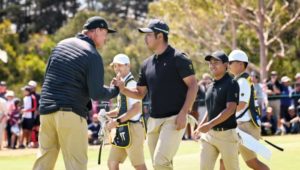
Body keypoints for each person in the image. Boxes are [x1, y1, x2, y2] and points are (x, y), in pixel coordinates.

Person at [33, 16, 119, 170]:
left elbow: (47, 77)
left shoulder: (61, 45)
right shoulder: (92, 55)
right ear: (96, 31)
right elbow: (97, 93)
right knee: (76, 165)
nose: (106, 38)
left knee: (43, 163)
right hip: (70, 113)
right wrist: (116, 90)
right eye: (105, 33)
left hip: (46, 112)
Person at [113, 19, 198, 170]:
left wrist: (184, 112)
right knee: (160, 165)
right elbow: (140, 93)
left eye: (149, 35)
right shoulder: (146, 64)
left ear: (160, 36)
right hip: (153, 121)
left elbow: (193, 85)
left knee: (160, 162)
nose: (145, 38)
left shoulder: (179, 58)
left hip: (174, 118)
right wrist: (123, 88)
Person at [193, 51, 240, 170]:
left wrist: (209, 124)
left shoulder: (232, 83)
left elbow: (230, 109)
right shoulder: (210, 86)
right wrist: (200, 126)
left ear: (226, 65)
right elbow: (210, 110)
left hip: (227, 135)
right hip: (209, 136)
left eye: (216, 62)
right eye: (210, 63)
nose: (212, 65)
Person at [224, 49, 269, 170]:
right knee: (248, 163)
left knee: (228, 161)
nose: (228, 65)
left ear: (240, 64)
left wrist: (224, 116)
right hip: (243, 126)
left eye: (231, 62)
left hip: (245, 127)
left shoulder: (242, 81)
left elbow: (241, 105)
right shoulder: (240, 80)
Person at [105, 54, 147, 170]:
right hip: (122, 128)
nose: (117, 69)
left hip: (133, 128)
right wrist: (107, 115)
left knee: (138, 165)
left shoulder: (131, 83)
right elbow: (120, 109)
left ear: (128, 66)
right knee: (112, 163)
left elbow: (136, 109)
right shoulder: (122, 84)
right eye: (114, 66)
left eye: (120, 65)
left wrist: (116, 121)